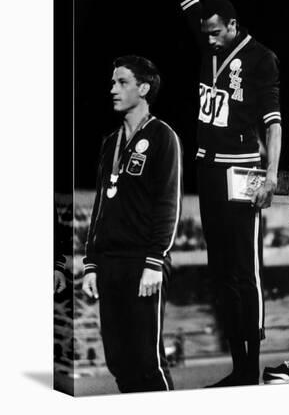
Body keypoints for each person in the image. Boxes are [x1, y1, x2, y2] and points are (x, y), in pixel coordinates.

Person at [148, 0, 282, 387]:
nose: (206, 40)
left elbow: (274, 122)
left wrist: (270, 176)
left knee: (246, 268)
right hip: (208, 166)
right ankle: (236, 366)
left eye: (213, 33)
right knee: (220, 268)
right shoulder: (207, 36)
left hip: (244, 169)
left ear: (233, 28)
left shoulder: (262, 59)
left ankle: (251, 367)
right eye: (203, 33)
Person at [82, 55, 183, 393]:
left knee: (147, 360)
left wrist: (155, 261)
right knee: (119, 361)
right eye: (112, 82)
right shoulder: (110, 143)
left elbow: (169, 203)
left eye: (121, 82)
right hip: (109, 264)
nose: (112, 89)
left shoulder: (163, 137)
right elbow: (99, 205)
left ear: (143, 88)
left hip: (144, 263)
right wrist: (91, 263)